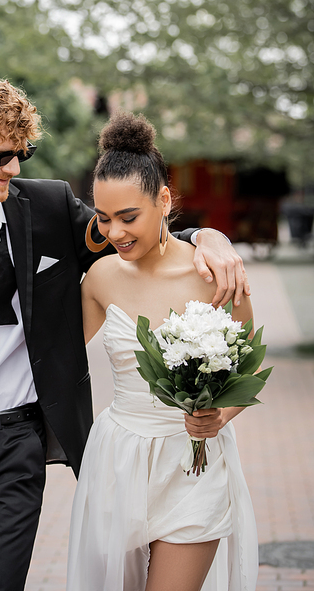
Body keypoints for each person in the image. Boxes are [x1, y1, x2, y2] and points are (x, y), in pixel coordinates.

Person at [0, 73, 249, 591]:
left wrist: (206, 237)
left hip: (14, 445)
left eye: (22, 154)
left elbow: (132, 235)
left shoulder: (49, 209)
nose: (13, 168)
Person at [67, 111, 258, 591]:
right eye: (104, 218)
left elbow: (251, 364)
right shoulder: (100, 280)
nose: (115, 233)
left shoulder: (216, 274)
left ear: (165, 200)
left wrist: (221, 416)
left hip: (193, 462)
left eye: (129, 217)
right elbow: (52, 355)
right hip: (119, 459)